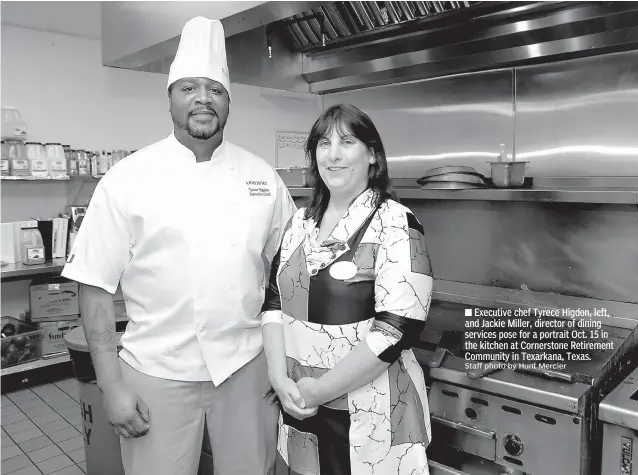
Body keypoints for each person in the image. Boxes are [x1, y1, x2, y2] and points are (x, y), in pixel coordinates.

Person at [61, 16, 295, 475]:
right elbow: (94, 287)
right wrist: (111, 386)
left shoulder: (263, 178)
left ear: (229, 101)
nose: (203, 99)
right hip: (154, 375)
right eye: (189, 87)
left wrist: (284, 363)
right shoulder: (127, 179)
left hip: (247, 372)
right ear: (169, 96)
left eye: (215, 89)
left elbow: (289, 277)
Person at [261, 104, 433, 475]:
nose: (333, 154)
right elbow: (274, 301)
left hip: (372, 412)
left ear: (372, 155)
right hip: (300, 405)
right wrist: (278, 377)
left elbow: (397, 327)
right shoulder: (299, 223)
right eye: (324, 143)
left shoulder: (395, 222)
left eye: (347, 141)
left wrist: (319, 391)